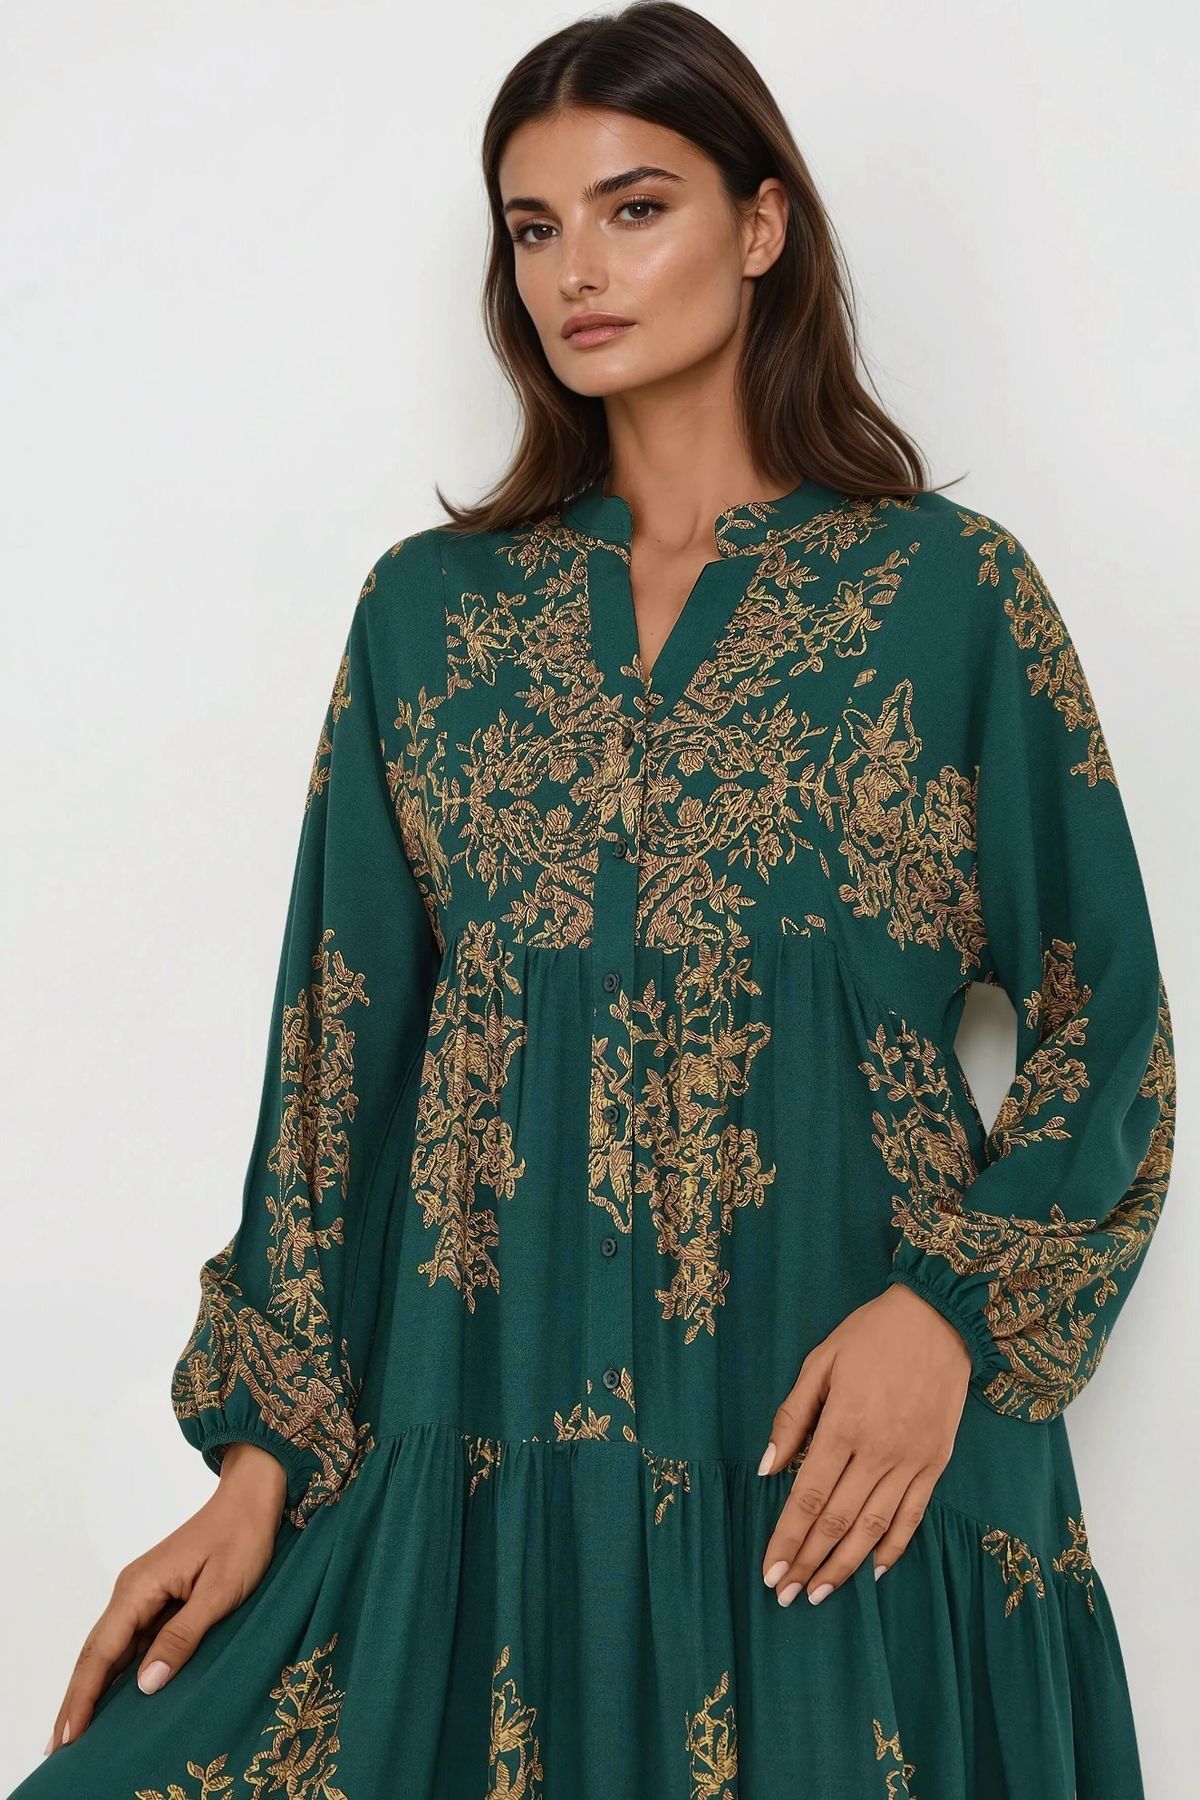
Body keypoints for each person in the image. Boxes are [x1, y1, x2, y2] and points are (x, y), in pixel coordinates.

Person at [14, 3, 1176, 1795]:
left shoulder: (949, 597)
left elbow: (1111, 1031)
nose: (576, 271)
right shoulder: (429, 620)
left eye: (636, 208)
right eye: (534, 227)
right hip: (488, 1442)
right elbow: (335, 1076)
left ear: (761, 224)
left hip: (845, 1468)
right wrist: (257, 1463)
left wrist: (947, 1321)